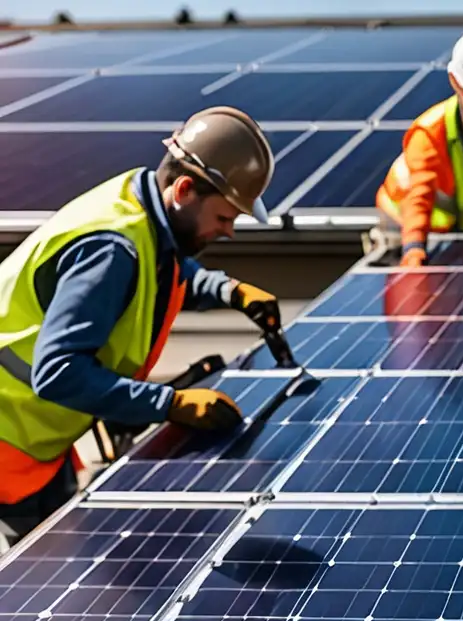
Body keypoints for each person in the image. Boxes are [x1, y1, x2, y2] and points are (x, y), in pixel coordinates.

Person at [0, 106, 284, 543]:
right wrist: (169, 403)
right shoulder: (110, 250)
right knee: (45, 579)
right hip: (10, 441)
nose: (228, 232)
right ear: (185, 189)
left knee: (72, 557)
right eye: (224, 218)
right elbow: (57, 373)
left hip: (40, 435)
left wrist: (228, 290)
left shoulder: (142, 207)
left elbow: (159, 274)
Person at [375, 26, 463, 268]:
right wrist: (413, 249)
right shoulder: (429, 132)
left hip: (452, 231)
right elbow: (418, 196)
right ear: (456, 84)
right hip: (400, 226)